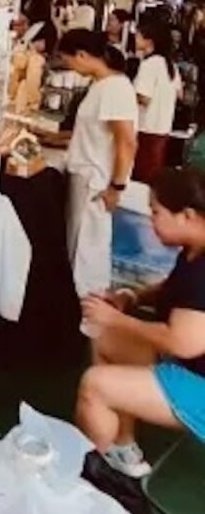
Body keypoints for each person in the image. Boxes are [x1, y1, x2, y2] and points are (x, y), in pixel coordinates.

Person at [78, 167, 205, 477]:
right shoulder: (194, 248)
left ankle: (92, 478)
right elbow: (173, 289)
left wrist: (116, 318)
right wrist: (130, 298)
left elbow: (182, 342)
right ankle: (122, 447)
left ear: (187, 216)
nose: (151, 221)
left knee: (94, 386)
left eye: (156, 212)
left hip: (198, 384)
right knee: (105, 336)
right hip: (191, 367)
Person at [60, 27, 138, 303]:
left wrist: (117, 186)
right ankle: (79, 307)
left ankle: (90, 310)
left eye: (69, 60)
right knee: (79, 246)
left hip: (96, 181)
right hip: (84, 177)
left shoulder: (115, 88)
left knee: (87, 251)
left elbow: (126, 141)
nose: (70, 67)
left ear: (82, 55)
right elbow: (94, 132)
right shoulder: (101, 85)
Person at [133, 15, 181, 184]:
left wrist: (126, 94)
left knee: (142, 176)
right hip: (163, 128)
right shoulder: (171, 65)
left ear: (149, 41)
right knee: (152, 175)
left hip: (146, 128)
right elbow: (179, 94)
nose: (134, 38)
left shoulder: (149, 64)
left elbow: (144, 98)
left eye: (138, 35)